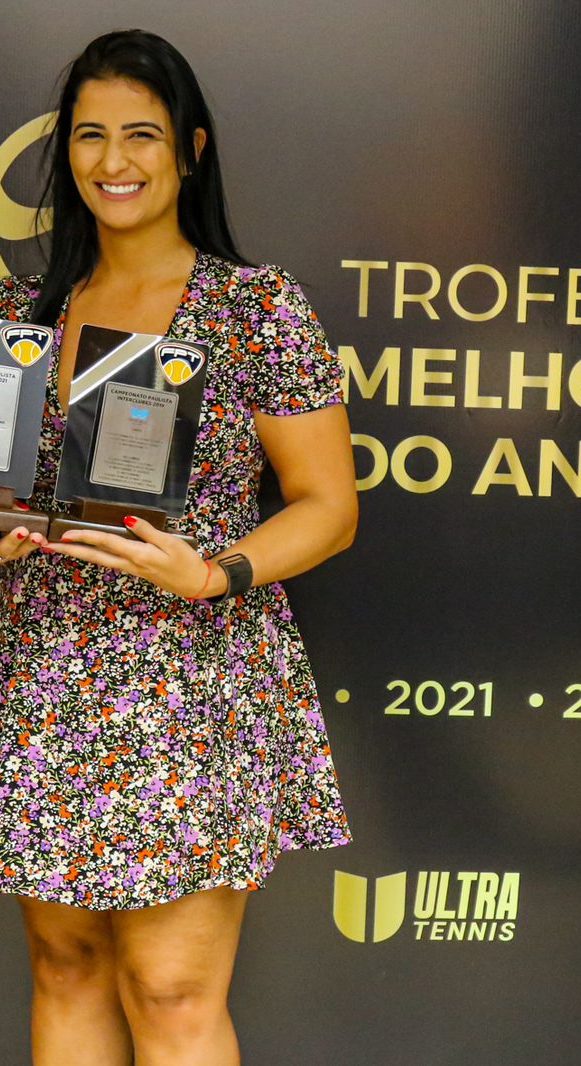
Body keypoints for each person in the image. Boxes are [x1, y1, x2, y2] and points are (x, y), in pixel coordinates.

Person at [0, 28, 357, 1066]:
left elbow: (327, 507)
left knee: (170, 991)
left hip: (188, 678)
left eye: (141, 135)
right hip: (44, 672)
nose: (113, 161)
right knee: (65, 966)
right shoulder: (21, 313)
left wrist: (213, 572)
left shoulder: (255, 309)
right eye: (90, 136)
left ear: (190, 150)